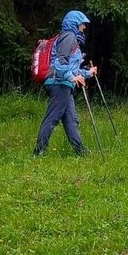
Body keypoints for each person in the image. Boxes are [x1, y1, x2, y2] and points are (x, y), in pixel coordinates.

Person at [33, 10, 97, 156]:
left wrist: (88, 73)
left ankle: (81, 152)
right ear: (75, 23)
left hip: (64, 83)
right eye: (82, 24)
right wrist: (71, 77)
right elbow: (60, 63)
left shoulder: (70, 38)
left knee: (71, 120)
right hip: (59, 83)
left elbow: (71, 69)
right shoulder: (69, 37)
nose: (84, 27)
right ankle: (38, 152)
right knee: (52, 117)